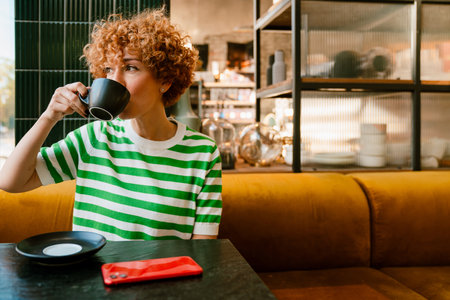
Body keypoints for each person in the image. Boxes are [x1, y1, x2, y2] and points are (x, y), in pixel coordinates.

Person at [0, 8, 222, 241]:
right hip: (93, 276)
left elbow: (202, 251)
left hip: (160, 277)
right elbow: (10, 182)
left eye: (130, 67)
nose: (114, 81)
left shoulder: (203, 153)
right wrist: (49, 117)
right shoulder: (93, 139)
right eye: (107, 69)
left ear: (165, 80)